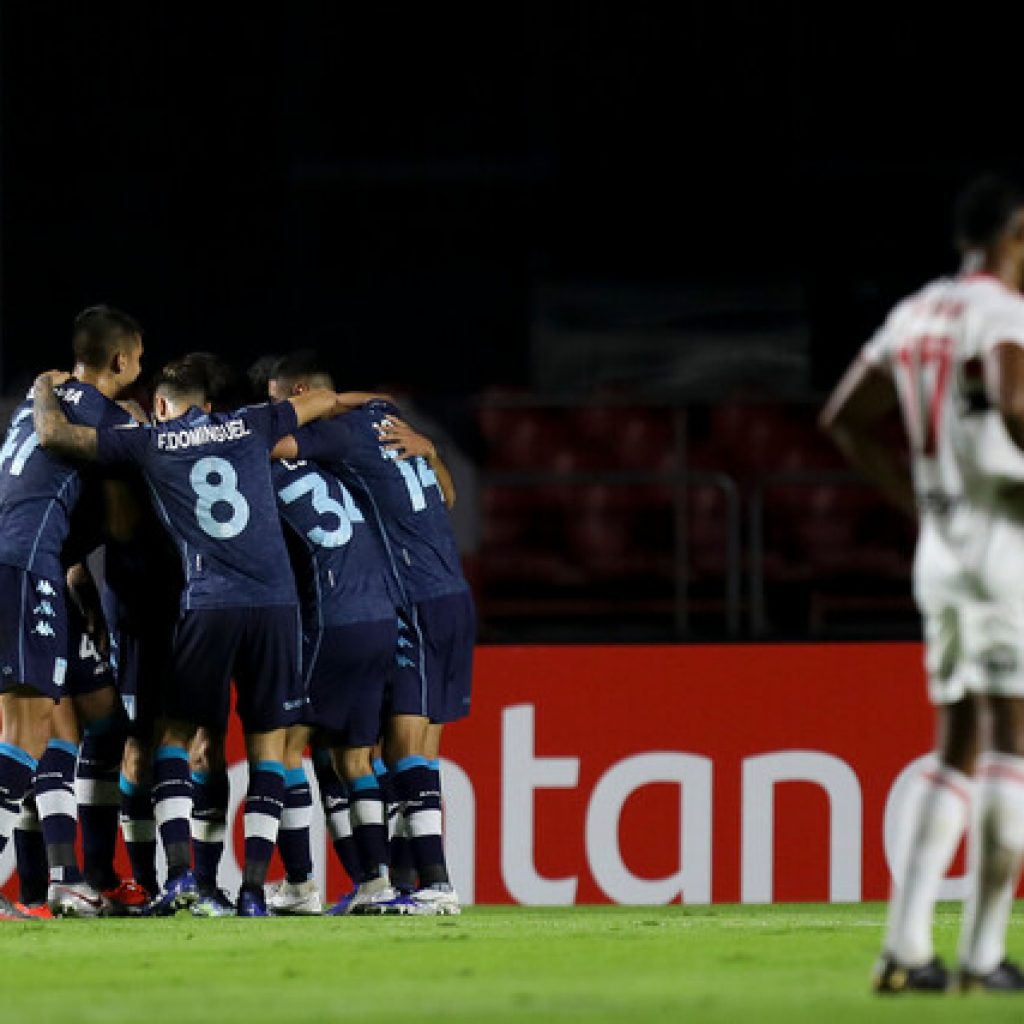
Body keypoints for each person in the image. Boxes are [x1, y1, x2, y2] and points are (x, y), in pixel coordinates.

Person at [32, 355, 343, 916]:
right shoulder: (248, 424)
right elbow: (321, 401)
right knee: (252, 748)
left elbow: (58, 436)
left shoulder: (147, 441)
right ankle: (242, 889)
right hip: (250, 606)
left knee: (178, 743)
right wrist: (374, 408)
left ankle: (187, 880)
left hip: (202, 604)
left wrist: (45, 387)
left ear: (161, 404)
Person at [822, 174, 1024, 993]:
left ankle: (907, 950)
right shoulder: (999, 314)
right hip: (1003, 539)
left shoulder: (915, 312)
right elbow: (1013, 402)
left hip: (941, 547)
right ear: (1015, 233)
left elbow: (844, 417)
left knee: (957, 739)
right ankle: (979, 958)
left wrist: (922, 502)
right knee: (1011, 740)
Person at [271, 352, 473, 916]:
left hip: (414, 599)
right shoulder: (385, 416)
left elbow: (268, 446)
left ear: (303, 393)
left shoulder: (334, 438)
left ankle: (435, 884)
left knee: (406, 746)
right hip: (450, 593)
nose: (277, 411)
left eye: (280, 400)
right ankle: (409, 882)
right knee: (415, 746)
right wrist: (429, 448)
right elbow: (449, 496)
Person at [0, 305, 144, 918]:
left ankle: (73, 877)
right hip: (23, 569)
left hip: (40, 570)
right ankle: (56, 878)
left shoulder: (39, 405)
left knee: (101, 719)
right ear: (121, 361)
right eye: (139, 357)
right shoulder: (89, 411)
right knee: (28, 729)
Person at [267, 368, 408, 915]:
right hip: (379, 615)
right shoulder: (334, 462)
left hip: (334, 619)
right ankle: (376, 884)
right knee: (352, 756)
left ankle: (299, 884)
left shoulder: (262, 466)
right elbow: (383, 396)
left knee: (279, 749)